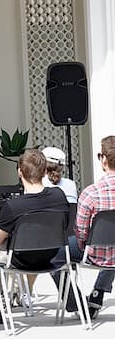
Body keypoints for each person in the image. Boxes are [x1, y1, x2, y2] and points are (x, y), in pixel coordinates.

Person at [0, 149, 68, 323]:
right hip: (53, 256)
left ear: (20, 172)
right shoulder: (59, 196)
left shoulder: (14, 206)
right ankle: (21, 292)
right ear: (45, 172)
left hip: (22, 260)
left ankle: (1, 303)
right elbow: (64, 226)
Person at [53, 136, 115, 319]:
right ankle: (97, 294)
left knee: (52, 256)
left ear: (103, 159)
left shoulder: (90, 193)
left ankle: (77, 303)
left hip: (94, 252)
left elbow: (80, 232)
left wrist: (84, 247)